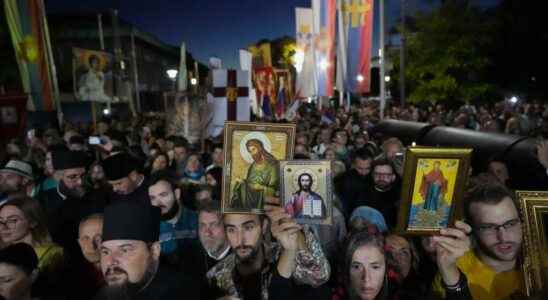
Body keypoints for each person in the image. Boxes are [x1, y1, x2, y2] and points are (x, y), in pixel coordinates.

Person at [206, 206, 330, 299]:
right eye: (232, 230)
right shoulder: (216, 277)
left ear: (264, 226)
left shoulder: (283, 253)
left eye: (248, 228)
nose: (240, 240)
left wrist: (294, 233)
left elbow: (319, 276)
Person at [432, 183, 525, 300]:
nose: (503, 237)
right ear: (471, 231)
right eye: (489, 227)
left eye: (510, 224)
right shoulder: (452, 271)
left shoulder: (541, 256)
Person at [96, 201, 198, 300]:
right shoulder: (104, 296)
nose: (111, 262)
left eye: (125, 250)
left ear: (154, 251)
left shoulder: (183, 293)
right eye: (106, 252)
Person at [0, 196, 65, 298]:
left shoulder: (54, 253)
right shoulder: (3, 253)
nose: (3, 227)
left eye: (12, 220)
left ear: (33, 222)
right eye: (0, 221)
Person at [147, 172, 197, 260]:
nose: (157, 203)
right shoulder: (147, 226)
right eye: (152, 198)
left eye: (163, 195)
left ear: (177, 194)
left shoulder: (198, 220)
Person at [230, 138, 279, 211]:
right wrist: (242, 182)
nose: (252, 153)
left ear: (260, 149)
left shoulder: (273, 165)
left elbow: (275, 188)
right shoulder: (253, 165)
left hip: (265, 201)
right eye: (250, 151)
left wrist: (261, 187)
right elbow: (250, 182)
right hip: (250, 198)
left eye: (253, 149)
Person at [334, 149, 373, 217]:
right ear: (353, 165)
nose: (364, 172)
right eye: (360, 168)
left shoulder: (375, 176)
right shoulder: (343, 180)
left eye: (367, 168)